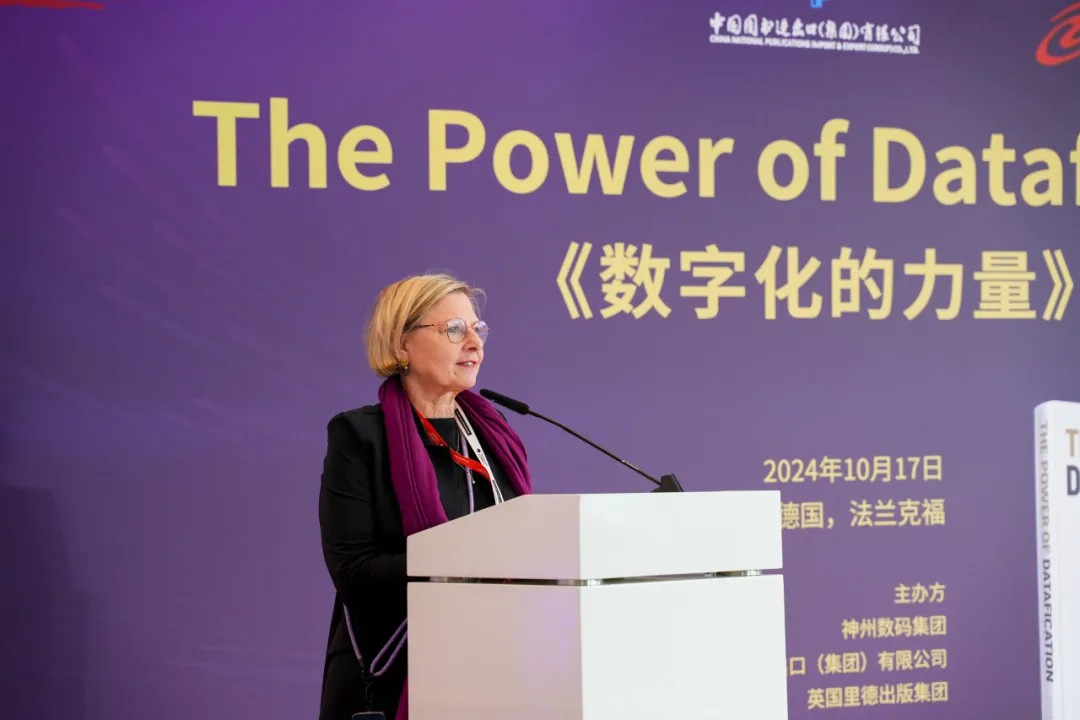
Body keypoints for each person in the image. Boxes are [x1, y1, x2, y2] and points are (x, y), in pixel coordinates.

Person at [317, 273, 533, 720]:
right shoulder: (360, 435)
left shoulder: (496, 439)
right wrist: (464, 562)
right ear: (402, 346)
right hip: (390, 672)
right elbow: (354, 573)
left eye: (478, 328)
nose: (474, 342)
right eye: (454, 329)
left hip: (490, 669)